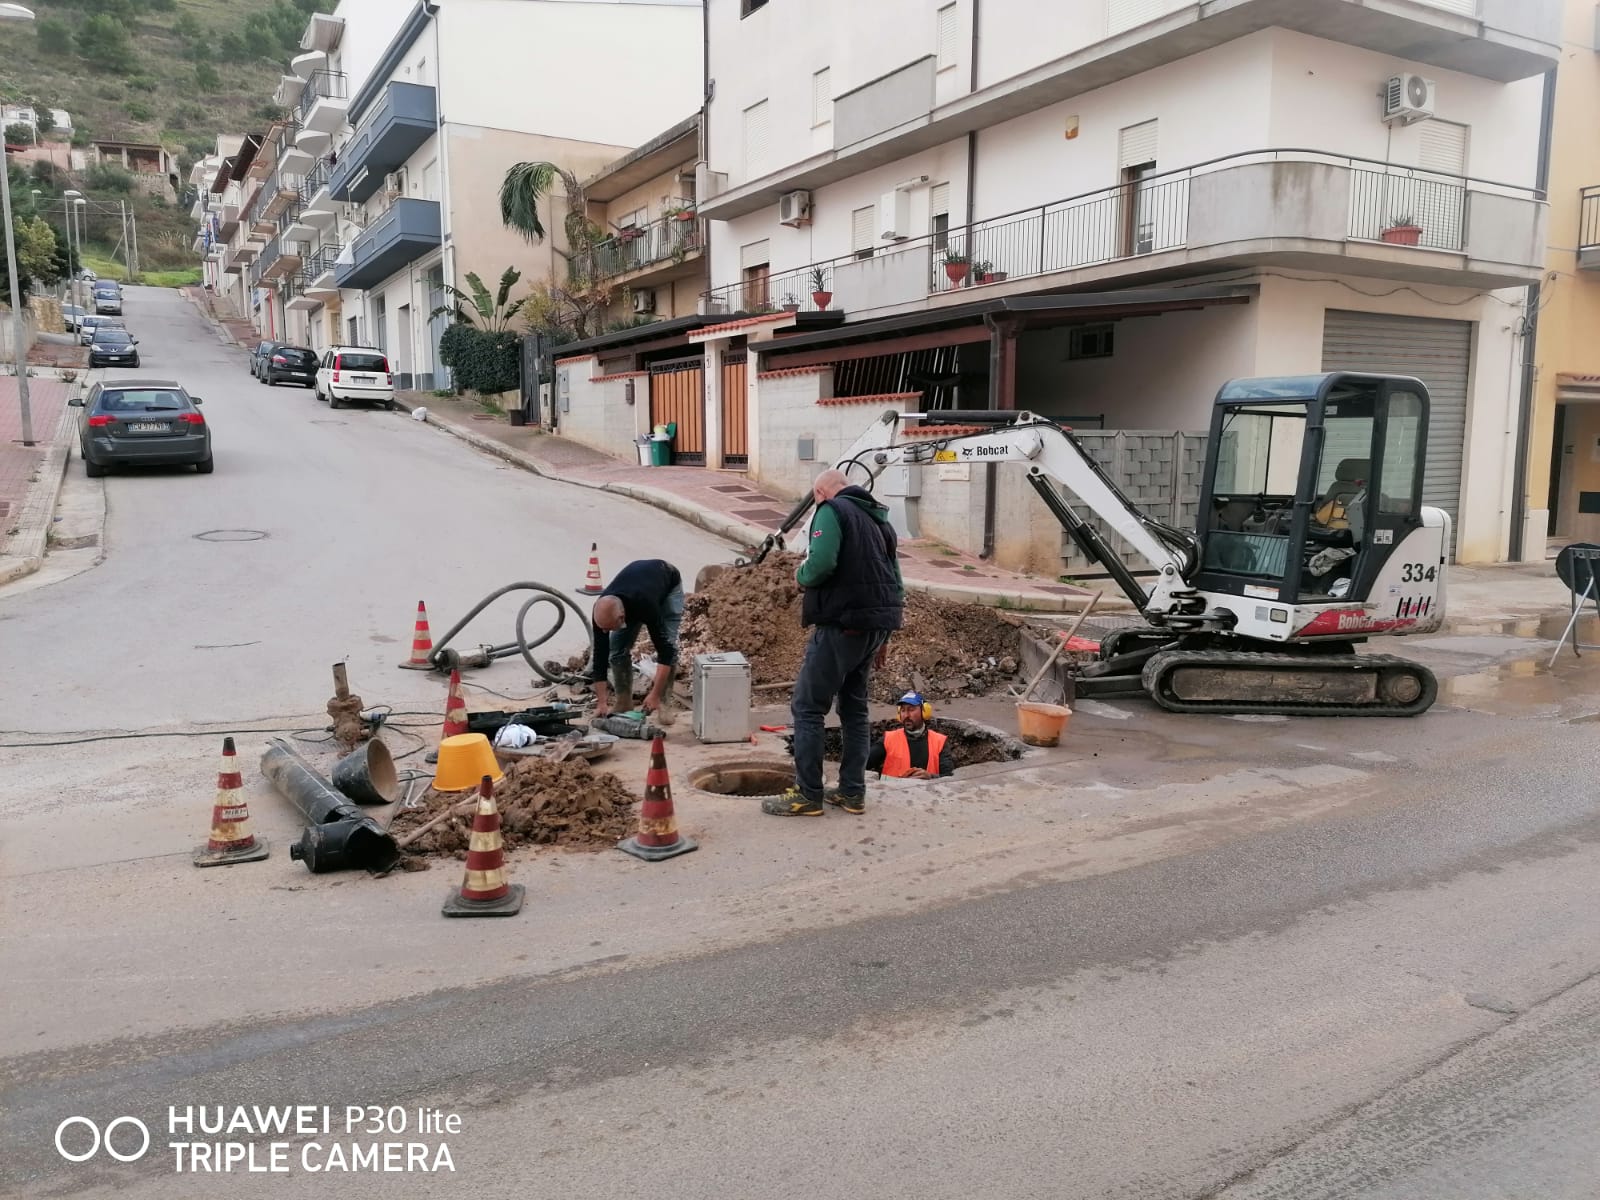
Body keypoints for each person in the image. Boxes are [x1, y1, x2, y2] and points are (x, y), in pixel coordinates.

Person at [764, 468, 904, 817]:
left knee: (808, 707)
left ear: (820, 493)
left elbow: (822, 563)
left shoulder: (832, 510)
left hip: (842, 625)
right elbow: (895, 583)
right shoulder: (881, 522)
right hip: (873, 628)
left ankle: (808, 794)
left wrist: (800, 576)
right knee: (854, 710)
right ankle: (852, 792)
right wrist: (885, 634)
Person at [589, 559, 683, 718]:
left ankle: (664, 703)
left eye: (608, 628)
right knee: (616, 649)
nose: (604, 631)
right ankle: (624, 702)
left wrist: (654, 694)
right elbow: (600, 657)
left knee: (668, 645)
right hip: (636, 588)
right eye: (603, 628)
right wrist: (602, 703)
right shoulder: (602, 610)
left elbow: (665, 652)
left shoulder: (646, 606)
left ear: (621, 618)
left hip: (667, 583)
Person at [868, 692, 953, 780]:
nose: (906, 715)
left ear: (924, 712)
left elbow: (949, 777)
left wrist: (931, 776)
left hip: (929, 792)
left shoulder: (939, 742)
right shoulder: (888, 739)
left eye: (911, 710)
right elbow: (863, 764)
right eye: (903, 710)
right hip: (892, 792)